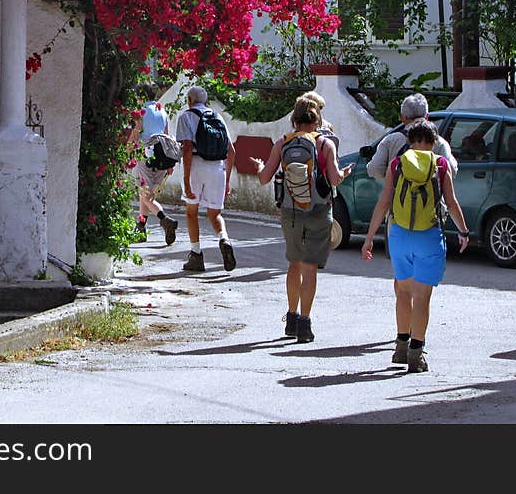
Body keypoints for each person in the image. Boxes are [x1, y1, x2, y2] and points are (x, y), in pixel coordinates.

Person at [361, 119, 470, 372]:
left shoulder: (397, 164)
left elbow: (383, 203)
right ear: (434, 143)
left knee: (402, 292)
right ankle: (416, 354)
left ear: (409, 141)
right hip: (428, 236)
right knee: (422, 298)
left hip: (399, 235)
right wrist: (463, 231)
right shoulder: (440, 165)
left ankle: (400, 347)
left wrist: (369, 238)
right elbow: (451, 203)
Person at [250, 96, 354, 343]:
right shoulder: (325, 144)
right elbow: (335, 178)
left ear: (294, 120)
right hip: (318, 211)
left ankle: (292, 317)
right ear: (317, 120)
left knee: (294, 264)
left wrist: (260, 166)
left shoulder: (282, 143)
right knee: (310, 268)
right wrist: (345, 172)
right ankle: (305, 325)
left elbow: (265, 178)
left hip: (291, 212)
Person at [175, 85, 236, 273]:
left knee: (191, 212)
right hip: (217, 167)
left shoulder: (186, 116)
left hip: (196, 166)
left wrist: (186, 179)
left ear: (190, 100)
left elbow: (186, 147)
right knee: (215, 213)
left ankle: (196, 256)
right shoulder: (217, 117)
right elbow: (231, 150)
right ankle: (224, 239)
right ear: (206, 101)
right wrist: (226, 180)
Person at [128, 83, 179, 245]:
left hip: (145, 157)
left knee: (146, 195)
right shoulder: (161, 110)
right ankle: (141, 229)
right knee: (146, 196)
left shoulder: (140, 112)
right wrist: (170, 164)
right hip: (163, 157)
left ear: (140, 96)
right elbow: (167, 135)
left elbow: (135, 135)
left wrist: (126, 153)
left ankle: (165, 220)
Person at [365, 92, 457, 180]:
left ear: (403, 118)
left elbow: (375, 170)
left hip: (398, 195)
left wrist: (391, 176)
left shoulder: (390, 140)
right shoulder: (439, 142)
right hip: (431, 196)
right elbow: (452, 170)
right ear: (427, 117)